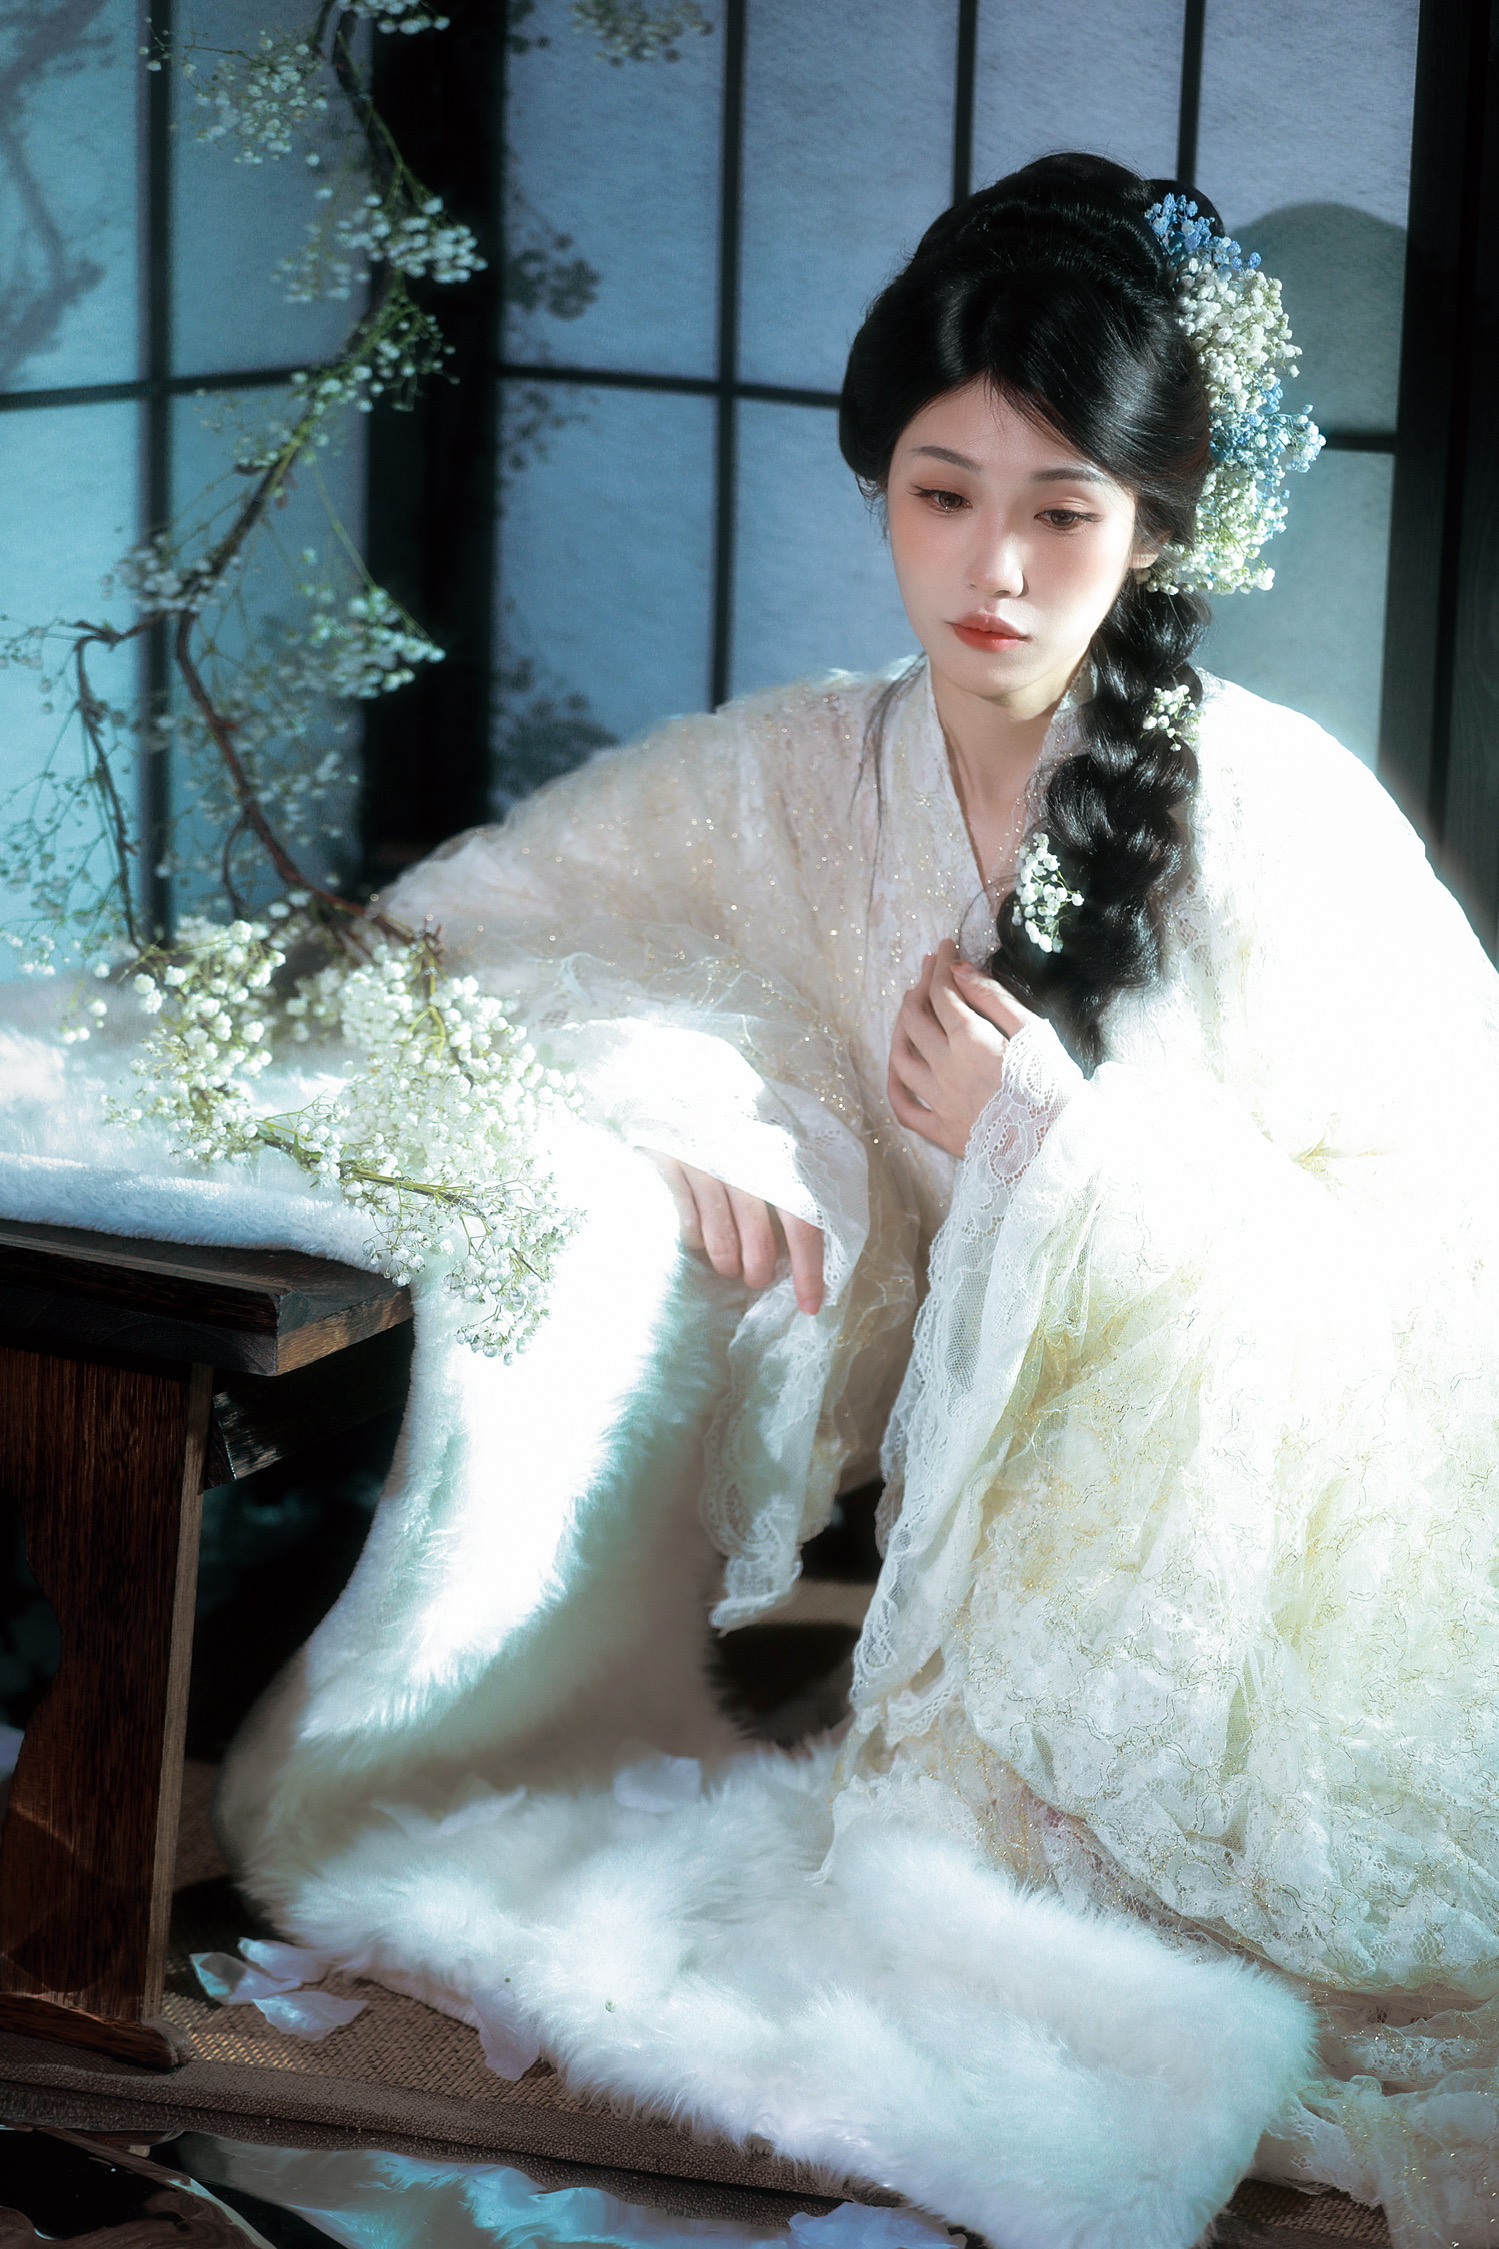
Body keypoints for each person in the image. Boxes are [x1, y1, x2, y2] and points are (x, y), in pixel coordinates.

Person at [202, 156, 1499, 2248]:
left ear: (1155, 528)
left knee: (1099, 1966)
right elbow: (467, 934)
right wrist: (673, 1094)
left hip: (1249, 1563)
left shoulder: (1274, 819)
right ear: (880, 485)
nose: (994, 568)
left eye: (1063, 510)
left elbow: (1444, 1257)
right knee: (915, 1935)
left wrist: (1062, 1140)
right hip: (967, 1582)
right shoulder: (809, 773)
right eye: (942, 491)